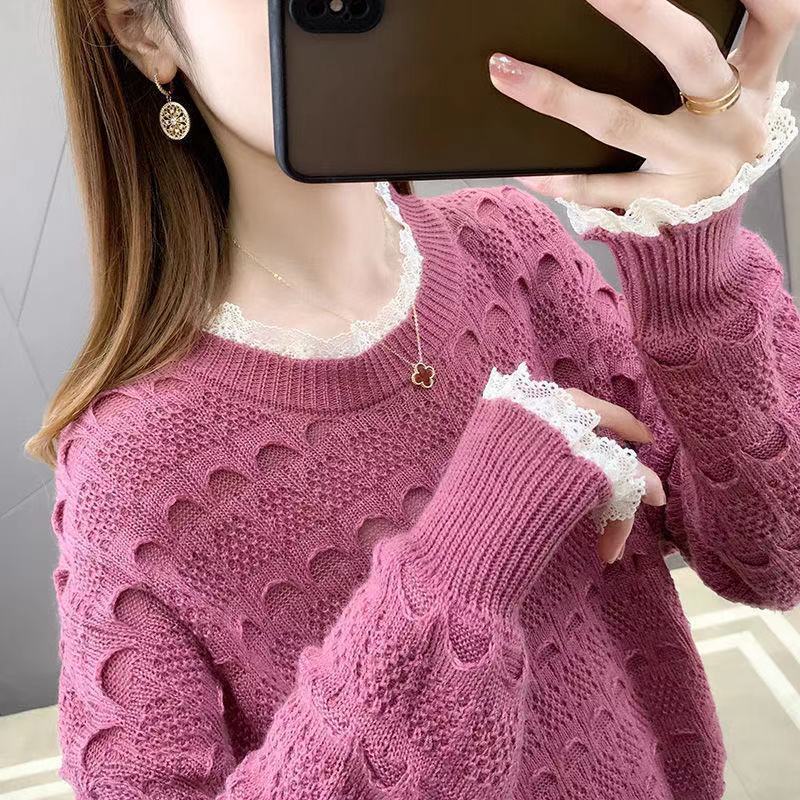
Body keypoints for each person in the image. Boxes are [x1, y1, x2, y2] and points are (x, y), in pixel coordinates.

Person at [29, 0, 800, 797]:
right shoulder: (131, 464)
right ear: (144, 27)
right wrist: (467, 553)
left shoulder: (513, 245)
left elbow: (775, 560)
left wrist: (697, 270)